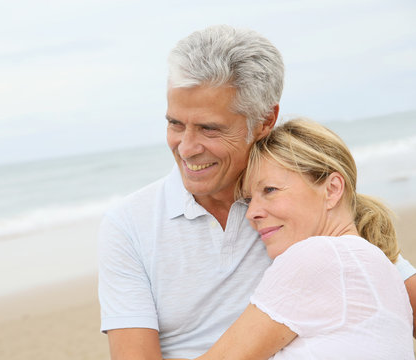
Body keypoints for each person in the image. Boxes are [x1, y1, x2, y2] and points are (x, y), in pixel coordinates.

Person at [97, 25, 416, 359]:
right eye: (175, 124)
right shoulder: (129, 224)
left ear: (265, 120)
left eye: (209, 128)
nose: (186, 148)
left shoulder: (298, 211)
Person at [179, 118, 413, 359]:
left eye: (269, 190)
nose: (251, 213)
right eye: (249, 200)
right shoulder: (383, 270)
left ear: (332, 189)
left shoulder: (316, 256)